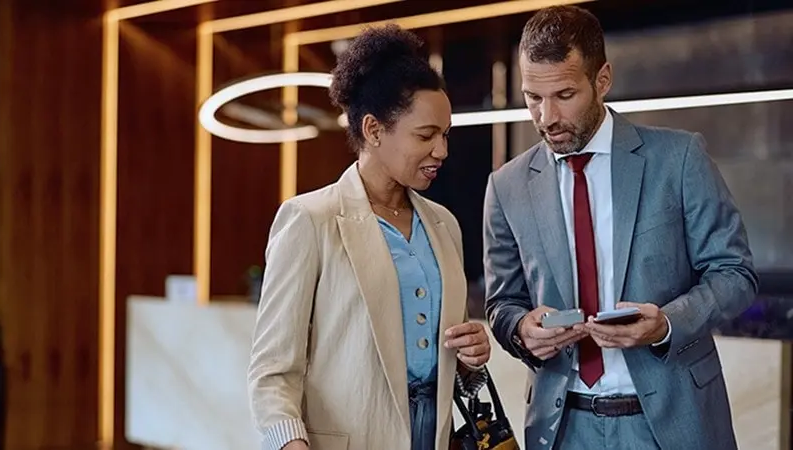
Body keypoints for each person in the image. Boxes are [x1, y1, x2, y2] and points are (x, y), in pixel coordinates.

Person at [483, 5, 757, 450]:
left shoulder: (679, 158)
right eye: (533, 96)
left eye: (565, 94)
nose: (545, 116)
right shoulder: (507, 186)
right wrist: (521, 330)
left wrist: (665, 324)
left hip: (672, 423)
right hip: (562, 427)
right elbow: (503, 303)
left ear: (603, 80)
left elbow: (735, 274)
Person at [248, 24, 491, 450]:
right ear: (374, 130)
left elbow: (439, 354)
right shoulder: (310, 220)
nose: (442, 151)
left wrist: (470, 357)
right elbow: (272, 373)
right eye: (425, 135)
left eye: (446, 134)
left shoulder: (444, 224)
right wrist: (291, 445)